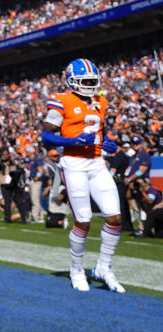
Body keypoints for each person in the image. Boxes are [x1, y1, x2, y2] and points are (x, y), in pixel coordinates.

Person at [41, 58, 124, 293]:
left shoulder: (101, 100)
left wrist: (107, 142)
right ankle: (76, 269)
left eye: (92, 80)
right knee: (83, 220)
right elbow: (47, 137)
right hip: (74, 164)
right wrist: (71, 141)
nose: (89, 84)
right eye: (84, 81)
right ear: (71, 81)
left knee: (115, 218)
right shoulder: (61, 100)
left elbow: (99, 130)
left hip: (97, 164)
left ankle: (103, 268)